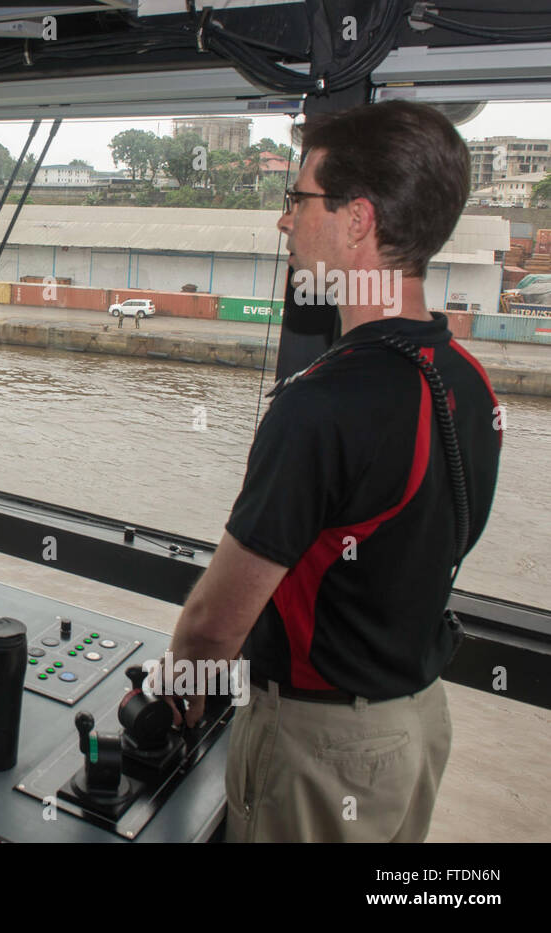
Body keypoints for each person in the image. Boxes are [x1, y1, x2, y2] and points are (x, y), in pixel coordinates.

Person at [156, 100, 501, 842]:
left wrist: (179, 691)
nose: (286, 222)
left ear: (356, 220)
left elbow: (215, 627)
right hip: (416, 727)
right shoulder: (469, 381)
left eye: (299, 199)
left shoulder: (320, 407)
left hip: (323, 751)